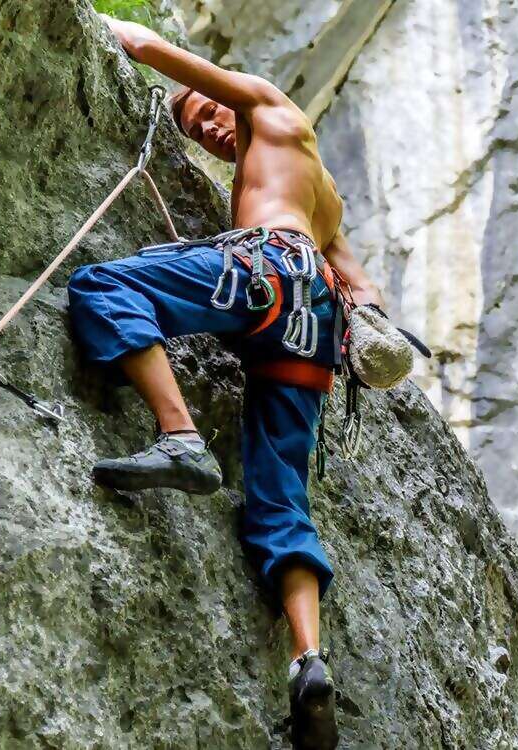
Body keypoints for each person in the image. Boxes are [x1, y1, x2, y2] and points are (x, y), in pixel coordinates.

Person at [66, 15, 393, 749]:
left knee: (103, 287)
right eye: (195, 128)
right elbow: (358, 280)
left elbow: (147, 48)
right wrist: (374, 327)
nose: (208, 128)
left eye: (204, 109)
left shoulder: (264, 102)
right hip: (316, 325)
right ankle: (308, 661)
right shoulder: (324, 194)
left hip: (268, 270)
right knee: (281, 494)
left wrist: (93, 19)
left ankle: (179, 437)